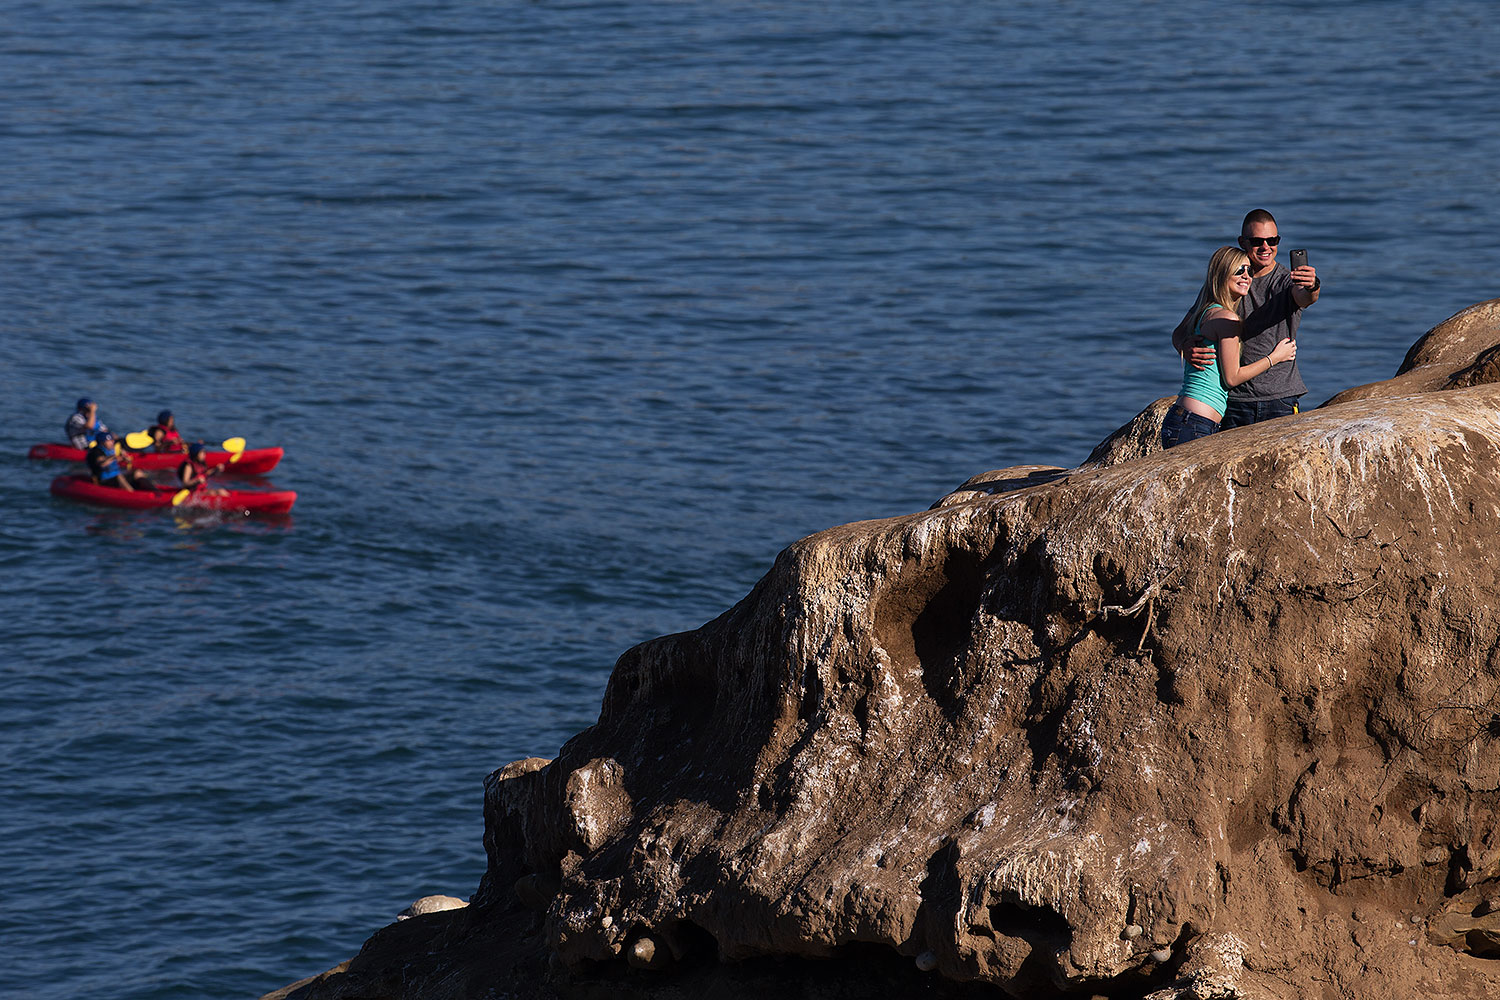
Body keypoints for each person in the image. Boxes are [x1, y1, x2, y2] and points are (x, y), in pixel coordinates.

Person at [1171, 209, 1321, 428]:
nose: (1266, 247)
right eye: (1257, 241)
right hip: (1233, 401)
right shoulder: (1226, 284)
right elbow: (1180, 331)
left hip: (1278, 399)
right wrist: (1185, 346)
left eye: (1273, 240)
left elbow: (1305, 298)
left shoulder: (1285, 282)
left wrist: (1312, 285)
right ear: (1242, 242)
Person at [1160, 246, 1298, 449]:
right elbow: (1232, 377)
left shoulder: (1206, 310)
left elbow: (1178, 332)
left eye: (1249, 271)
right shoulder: (1227, 318)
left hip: (1187, 419)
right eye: (1238, 271)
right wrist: (1275, 357)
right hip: (1196, 423)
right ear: (1222, 275)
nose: (1246, 276)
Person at [86, 430, 152, 490]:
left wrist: (123, 458)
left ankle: (153, 491)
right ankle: (132, 494)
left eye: (112, 440)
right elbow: (102, 464)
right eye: (108, 441)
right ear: (102, 443)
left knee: (137, 472)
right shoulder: (96, 452)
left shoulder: (110, 450)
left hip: (114, 478)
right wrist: (114, 457)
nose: (112, 442)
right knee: (119, 476)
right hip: (104, 480)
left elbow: (114, 462)